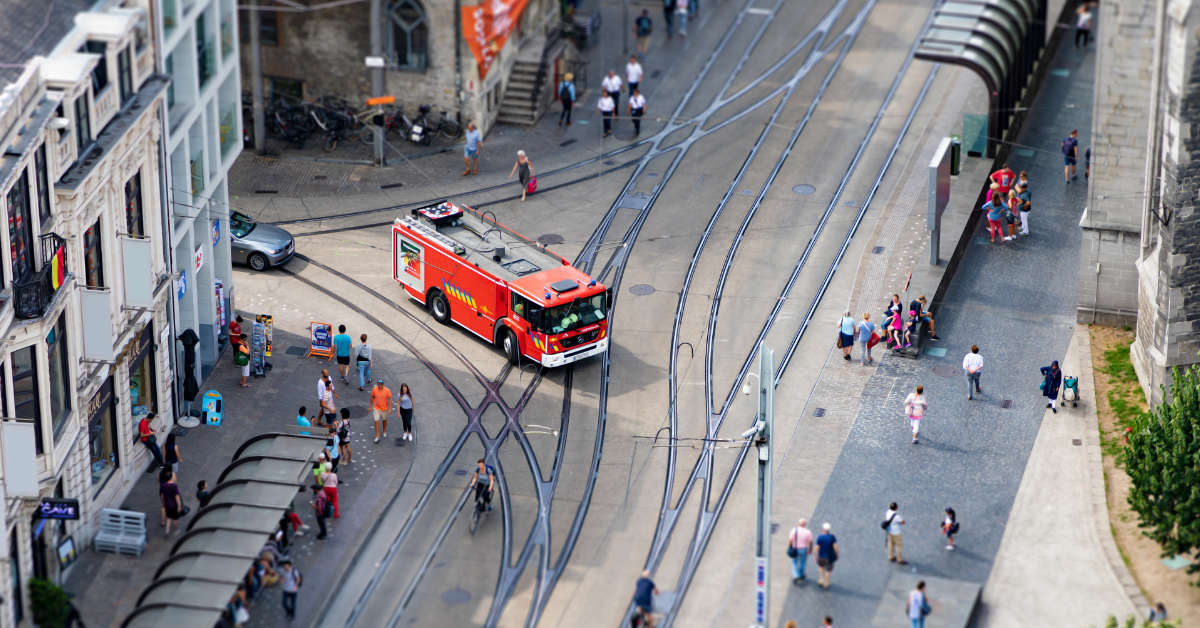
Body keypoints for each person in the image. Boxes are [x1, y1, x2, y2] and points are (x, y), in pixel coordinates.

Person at [787, 518, 814, 583]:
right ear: (805, 524)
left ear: (799, 523)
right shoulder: (808, 531)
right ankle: (801, 574)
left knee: (794, 562)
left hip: (795, 549)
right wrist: (810, 549)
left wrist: (790, 547)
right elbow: (810, 542)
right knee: (803, 562)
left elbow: (790, 540)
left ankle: (795, 575)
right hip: (803, 549)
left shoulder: (794, 530)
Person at [815, 523, 838, 589]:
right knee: (828, 570)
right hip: (829, 557)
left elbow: (816, 547)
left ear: (823, 529)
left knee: (821, 567)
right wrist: (837, 554)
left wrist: (815, 555)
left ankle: (821, 579)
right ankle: (826, 582)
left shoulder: (820, 537)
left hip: (821, 556)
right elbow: (835, 547)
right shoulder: (832, 537)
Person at [161, 472, 183, 537]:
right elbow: (177, 497)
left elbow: (162, 494)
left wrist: (163, 501)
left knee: (168, 517)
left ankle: (167, 530)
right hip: (174, 505)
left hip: (167, 504)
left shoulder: (163, 485)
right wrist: (179, 506)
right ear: (171, 477)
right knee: (175, 518)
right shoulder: (174, 486)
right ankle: (174, 531)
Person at [371, 380, 393, 444]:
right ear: (377, 384)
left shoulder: (387, 390)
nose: (380, 386)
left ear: (383, 384)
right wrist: (370, 406)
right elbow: (372, 397)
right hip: (376, 408)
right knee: (376, 420)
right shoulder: (374, 389)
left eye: (381, 385)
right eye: (379, 385)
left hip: (384, 409)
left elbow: (390, 399)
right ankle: (377, 436)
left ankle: (384, 431)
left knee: (384, 420)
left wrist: (390, 408)